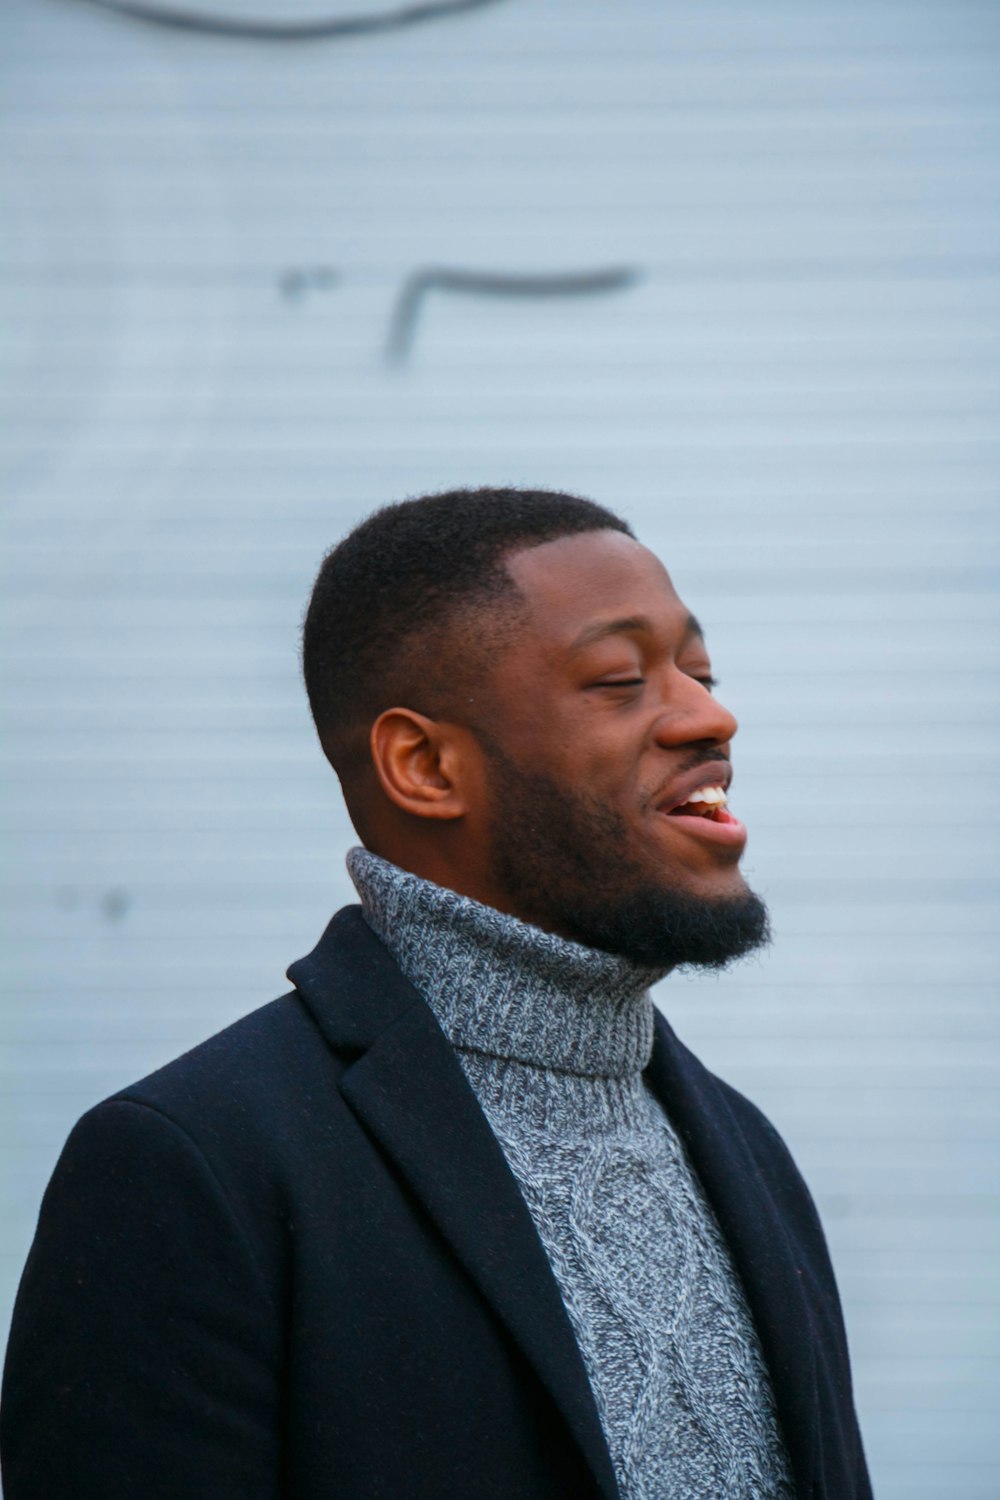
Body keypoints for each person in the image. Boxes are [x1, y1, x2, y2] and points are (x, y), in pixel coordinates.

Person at [0, 487, 872, 1500]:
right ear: (422, 765)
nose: (710, 715)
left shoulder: (744, 1147)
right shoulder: (193, 1165)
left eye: (701, 670)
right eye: (620, 679)